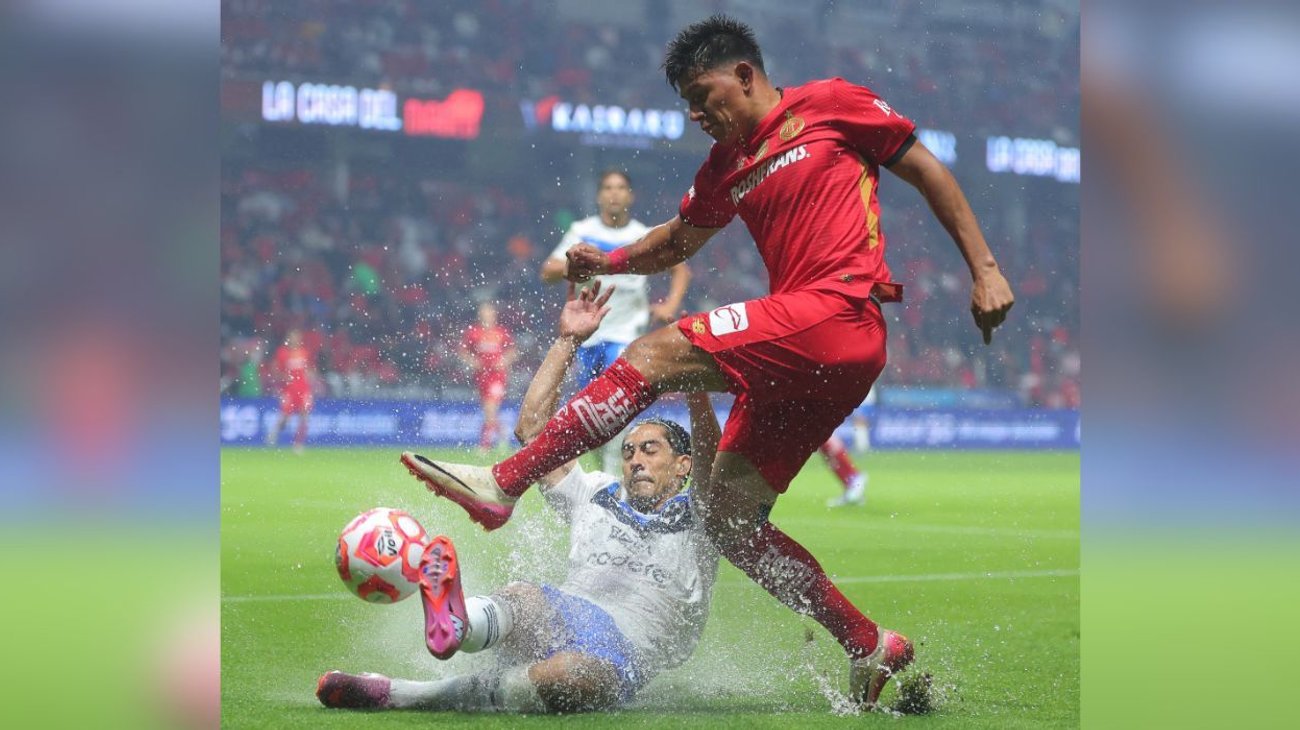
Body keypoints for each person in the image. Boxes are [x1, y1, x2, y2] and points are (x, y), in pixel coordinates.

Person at [403, 15, 1014, 708]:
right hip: (808, 355)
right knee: (725, 519)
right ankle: (869, 646)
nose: (697, 113)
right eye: (687, 104)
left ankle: (507, 482)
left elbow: (924, 165)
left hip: (840, 310)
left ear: (744, 74)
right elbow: (675, 241)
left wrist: (984, 268)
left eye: (703, 93)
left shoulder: (829, 103)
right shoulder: (726, 165)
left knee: (653, 354)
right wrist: (609, 260)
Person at [320, 283, 722, 713]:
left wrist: (693, 382)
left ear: (683, 466)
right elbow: (533, 433)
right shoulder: (598, 494)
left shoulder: (704, 516)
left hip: (624, 650)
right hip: (564, 611)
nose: (635, 460)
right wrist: (567, 341)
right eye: (628, 451)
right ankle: (459, 625)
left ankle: (404, 693)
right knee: (525, 598)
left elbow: (716, 464)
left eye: (650, 450)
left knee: (567, 676)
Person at [541, 169, 692, 474]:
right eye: (608, 187)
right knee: (593, 418)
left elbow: (681, 269)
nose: (614, 194)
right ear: (599, 195)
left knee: (615, 406)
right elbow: (548, 272)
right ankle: (608, 471)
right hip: (588, 336)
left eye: (621, 188)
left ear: (630, 196)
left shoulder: (643, 234)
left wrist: (670, 304)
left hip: (626, 336)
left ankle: (615, 481)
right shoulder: (581, 231)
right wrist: (572, 266)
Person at [459, 302, 517, 451]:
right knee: (488, 411)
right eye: (483, 312)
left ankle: (484, 445)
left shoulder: (501, 332)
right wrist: (473, 362)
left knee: (490, 409)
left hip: (497, 376)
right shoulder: (474, 332)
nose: (486, 314)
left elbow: (512, 352)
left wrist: (503, 362)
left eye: (488, 312)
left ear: (493, 314)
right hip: (481, 376)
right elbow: (463, 352)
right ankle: (503, 433)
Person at [264, 329, 317, 453]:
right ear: (288, 339)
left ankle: (298, 444)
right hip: (289, 390)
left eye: (297, 337)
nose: (295, 340)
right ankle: (274, 433)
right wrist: (283, 377)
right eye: (292, 337)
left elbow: (309, 369)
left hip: (304, 389)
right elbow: (275, 370)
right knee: (285, 418)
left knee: (304, 416)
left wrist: (312, 376)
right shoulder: (282, 353)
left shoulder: (304, 352)